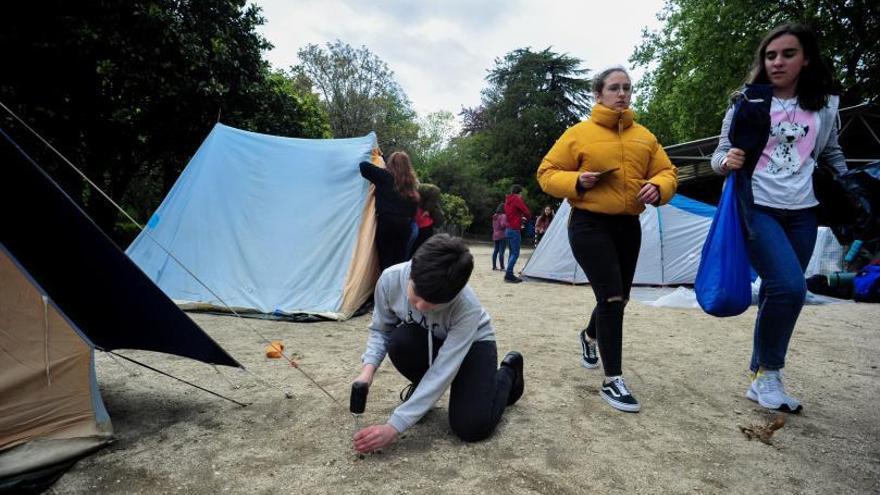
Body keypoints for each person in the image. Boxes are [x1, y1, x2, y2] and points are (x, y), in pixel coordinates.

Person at [710, 23, 847, 413]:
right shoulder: (747, 102)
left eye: (788, 54)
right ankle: (770, 373)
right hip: (757, 206)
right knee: (790, 287)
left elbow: (831, 153)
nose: (778, 62)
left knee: (776, 291)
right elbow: (719, 154)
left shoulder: (824, 105)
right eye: (770, 55)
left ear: (806, 59)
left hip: (803, 212)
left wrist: (849, 186)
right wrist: (726, 161)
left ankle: (759, 376)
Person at [537, 66, 677, 412]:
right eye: (614, 88)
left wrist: (658, 187)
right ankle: (613, 380)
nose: (622, 94)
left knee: (620, 298)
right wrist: (577, 182)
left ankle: (589, 336)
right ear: (598, 94)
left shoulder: (645, 136)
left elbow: (667, 171)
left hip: (628, 226)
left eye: (627, 88)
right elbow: (546, 173)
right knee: (612, 298)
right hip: (588, 223)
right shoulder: (578, 134)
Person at [351, 234, 525, 453]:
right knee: (399, 341)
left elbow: (444, 369)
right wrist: (367, 371)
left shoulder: (466, 307)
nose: (422, 306)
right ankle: (424, 391)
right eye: (416, 295)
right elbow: (381, 330)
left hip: (473, 345)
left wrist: (393, 427)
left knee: (471, 428)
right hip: (429, 339)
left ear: (455, 294)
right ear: (412, 272)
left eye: (435, 303)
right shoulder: (390, 279)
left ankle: (509, 372)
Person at [360, 152, 420, 271]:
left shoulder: (384, 177)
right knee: (399, 261)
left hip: (386, 223)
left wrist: (381, 160)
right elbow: (414, 207)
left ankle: (386, 287)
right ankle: (397, 287)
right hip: (404, 225)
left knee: (386, 260)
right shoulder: (410, 183)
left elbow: (363, 165)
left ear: (391, 164)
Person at [503, 185, 531, 283]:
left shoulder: (507, 201)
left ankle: (508, 273)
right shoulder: (516, 199)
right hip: (514, 229)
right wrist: (526, 218)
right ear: (519, 193)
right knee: (515, 253)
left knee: (511, 253)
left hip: (508, 229)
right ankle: (509, 274)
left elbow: (512, 213)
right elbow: (526, 211)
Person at [491, 204, 508, 271]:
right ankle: (502, 267)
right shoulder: (503, 216)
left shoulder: (494, 216)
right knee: (501, 252)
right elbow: (503, 225)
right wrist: (508, 224)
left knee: (495, 251)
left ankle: (494, 266)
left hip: (495, 235)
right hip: (502, 235)